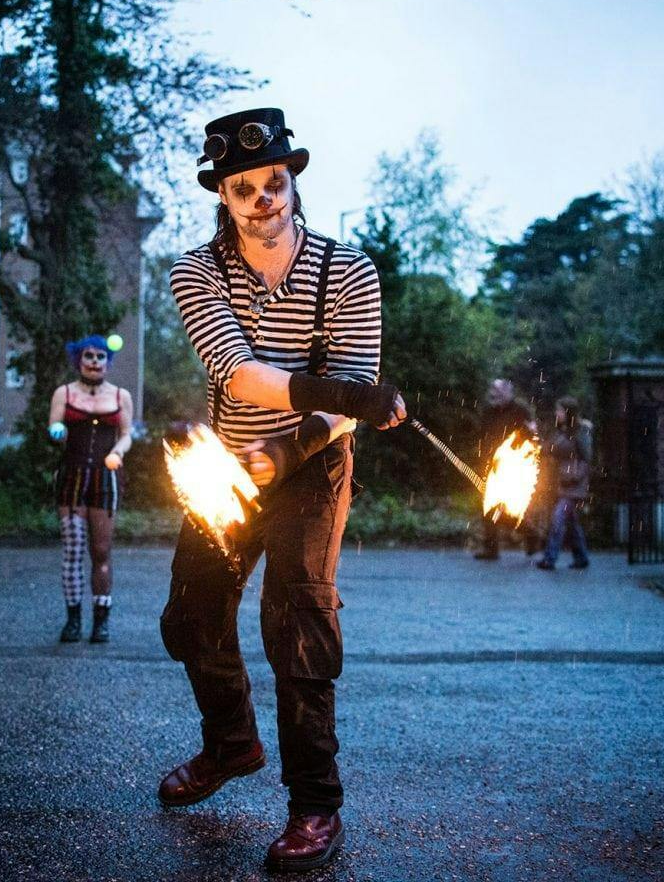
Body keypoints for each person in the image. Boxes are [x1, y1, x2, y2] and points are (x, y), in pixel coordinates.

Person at [160, 107, 406, 873]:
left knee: (297, 624)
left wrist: (296, 442)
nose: (264, 197)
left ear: (293, 179)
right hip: (228, 465)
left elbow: (348, 402)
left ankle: (315, 808)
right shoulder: (195, 272)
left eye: (274, 182)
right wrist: (339, 398)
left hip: (315, 464)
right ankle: (232, 744)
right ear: (223, 196)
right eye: (245, 188)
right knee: (192, 616)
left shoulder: (348, 269)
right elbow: (238, 371)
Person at [47, 335, 133, 643]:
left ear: (108, 362)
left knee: (101, 551)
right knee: (72, 551)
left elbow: (126, 434)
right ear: (78, 360)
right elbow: (55, 424)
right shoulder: (65, 393)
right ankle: (72, 621)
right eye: (88, 356)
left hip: (105, 478)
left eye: (100, 356)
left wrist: (117, 452)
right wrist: (57, 431)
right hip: (72, 476)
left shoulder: (121, 395)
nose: (94, 361)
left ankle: (101, 621)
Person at [475, 377, 534, 560]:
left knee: (507, 508)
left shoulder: (520, 410)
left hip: (513, 465)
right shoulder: (489, 411)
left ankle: (531, 534)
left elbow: (532, 434)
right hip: (490, 465)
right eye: (493, 391)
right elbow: (482, 435)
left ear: (509, 392)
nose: (494, 395)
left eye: (499, 392)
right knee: (488, 506)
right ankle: (491, 549)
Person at [536, 396, 592, 571]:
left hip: (574, 486)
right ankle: (581, 557)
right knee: (572, 523)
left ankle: (549, 558)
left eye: (559, 410)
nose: (557, 413)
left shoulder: (581, 432)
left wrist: (576, 476)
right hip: (564, 484)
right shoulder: (562, 431)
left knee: (558, 519)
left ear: (568, 412)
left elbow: (586, 458)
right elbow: (548, 449)